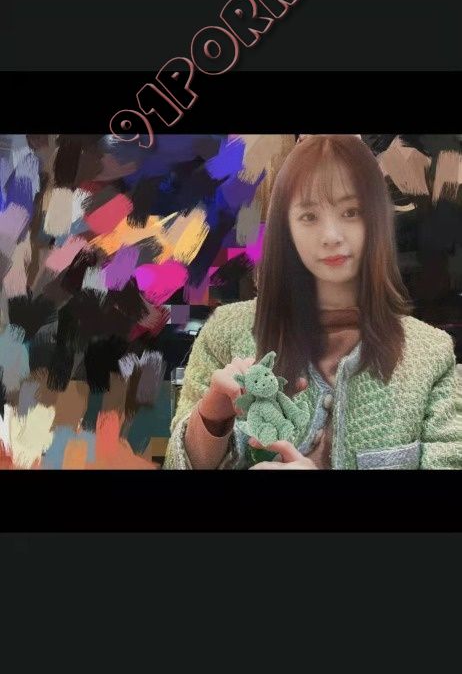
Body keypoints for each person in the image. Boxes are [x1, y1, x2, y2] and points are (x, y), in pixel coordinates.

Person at [163, 134, 462, 470]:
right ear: (285, 228)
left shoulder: (430, 353)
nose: (331, 236)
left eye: (351, 212)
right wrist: (211, 418)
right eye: (309, 216)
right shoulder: (226, 333)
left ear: (377, 221)